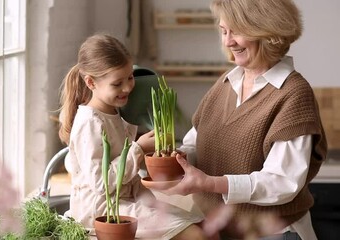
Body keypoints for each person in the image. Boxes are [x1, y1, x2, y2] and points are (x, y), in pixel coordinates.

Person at [160, 0, 328, 239]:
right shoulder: (226, 83)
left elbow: (281, 182)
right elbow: (195, 145)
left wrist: (210, 183)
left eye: (236, 31)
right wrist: (166, 158)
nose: (228, 42)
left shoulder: (293, 94)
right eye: (223, 31)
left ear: (267, 32)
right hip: (222, 229)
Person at [57, 33, 206, 240]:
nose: (127, 87)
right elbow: (102, 184)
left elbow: (128, 167)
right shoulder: (90, 122)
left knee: (202, 224)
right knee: (194, 235)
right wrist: (138, 148)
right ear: (91, 83)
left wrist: (161, 154)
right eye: (117, 84)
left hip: (130, 200)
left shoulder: (116, 111)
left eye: (130, 77)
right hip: (101, 211)